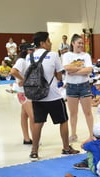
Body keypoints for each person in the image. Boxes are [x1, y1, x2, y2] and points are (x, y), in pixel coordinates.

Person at [24, 31, 79, 161]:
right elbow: (59, 76)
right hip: (53, 95)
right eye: (48, 41)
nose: (51, 43)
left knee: (38, 122)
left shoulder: (29, 57)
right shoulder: (53, 55)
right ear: (42, 43)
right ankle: (66, 148)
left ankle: (34, 151)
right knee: (63, 121)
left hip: (36, 95)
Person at [62, 34, 94, 142]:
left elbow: (89, 69)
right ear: (73, 43)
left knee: (88, 112)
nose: (81, 45)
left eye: (82, 43)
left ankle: (91, 134)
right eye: (78, 43)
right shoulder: (67, 55)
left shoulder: (86, 56)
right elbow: (66, 68)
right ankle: (73, 134)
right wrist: (81, 68)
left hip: (84, 86)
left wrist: (74, 71)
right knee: (73, 113)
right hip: (71, 86)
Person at [8, 42, 35, 145]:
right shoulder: (22, 60)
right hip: (23, 92)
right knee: (33, 116)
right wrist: (23, 79)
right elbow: (13, 71)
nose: (32, 51)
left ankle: (27, 138)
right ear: (25, 51)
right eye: (30, 50)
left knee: (24, 115)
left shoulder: (25, 60)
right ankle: (34, 137)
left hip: (24, 91)